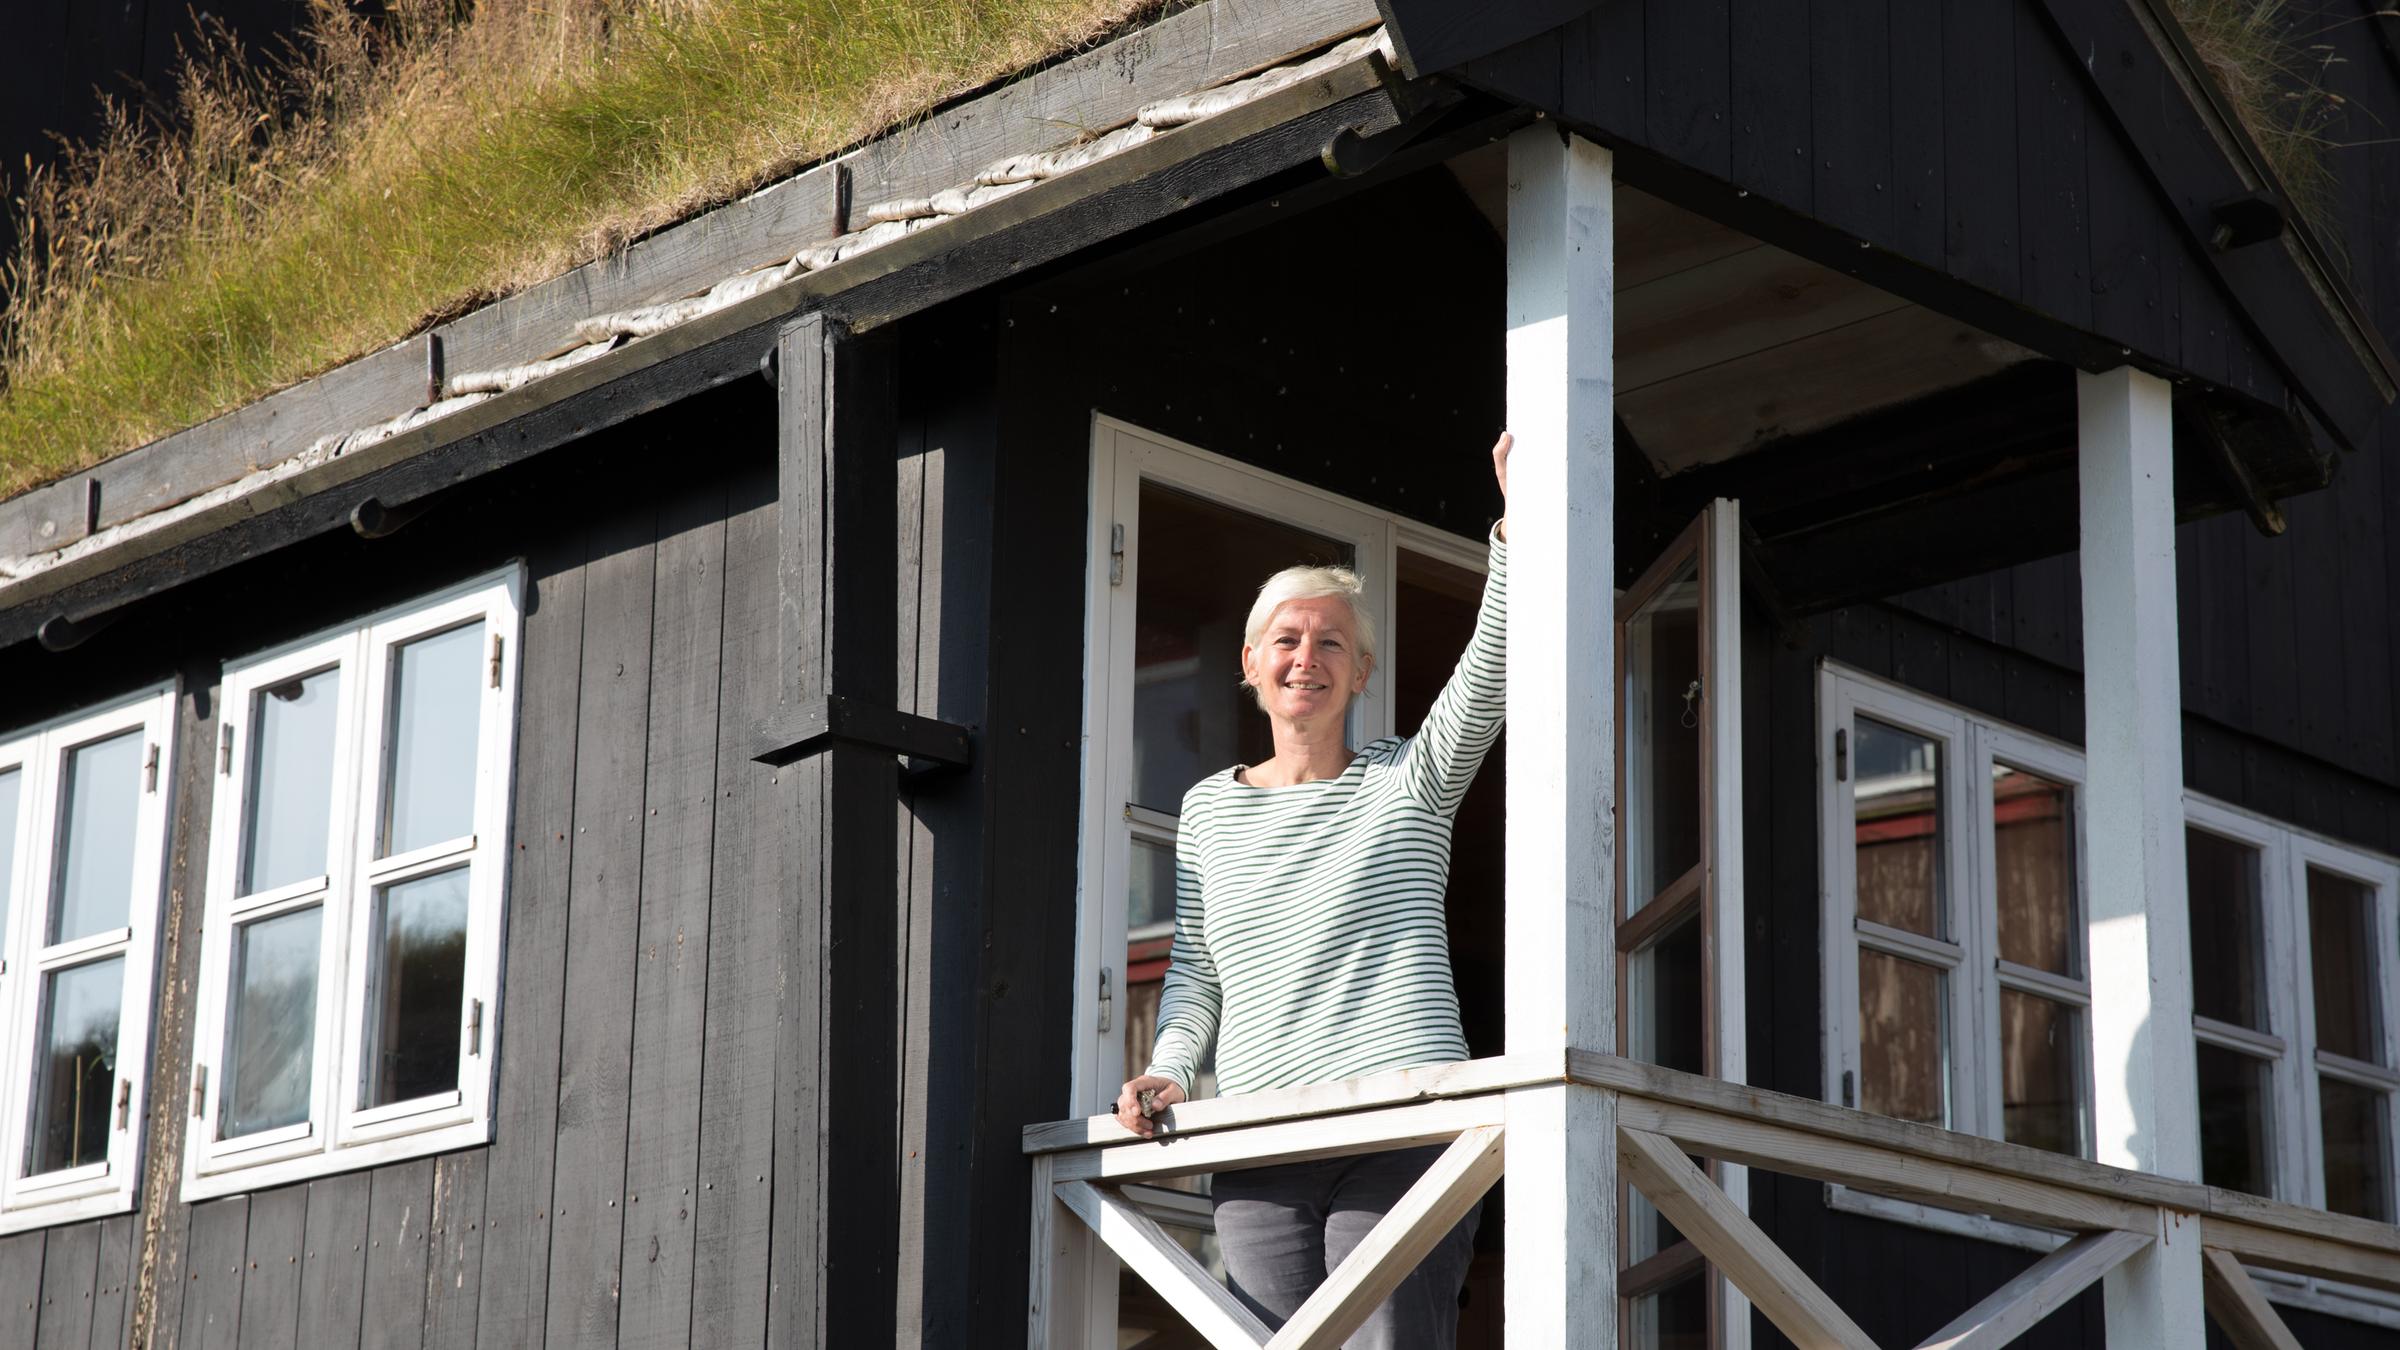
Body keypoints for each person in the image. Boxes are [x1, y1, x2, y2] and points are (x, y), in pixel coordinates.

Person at [1114, 433, 1512, 1349]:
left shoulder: (1410, 780)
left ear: (1362, 673)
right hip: (1262, 1144)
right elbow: (1196, 973)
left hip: (1407, 1123)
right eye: (1286, 639)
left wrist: (1514, 533)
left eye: (1332, 642)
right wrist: (1171, 1068)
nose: (1308, 656)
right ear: (1251, 665)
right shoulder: (1208, 809)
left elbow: (1486, 675)